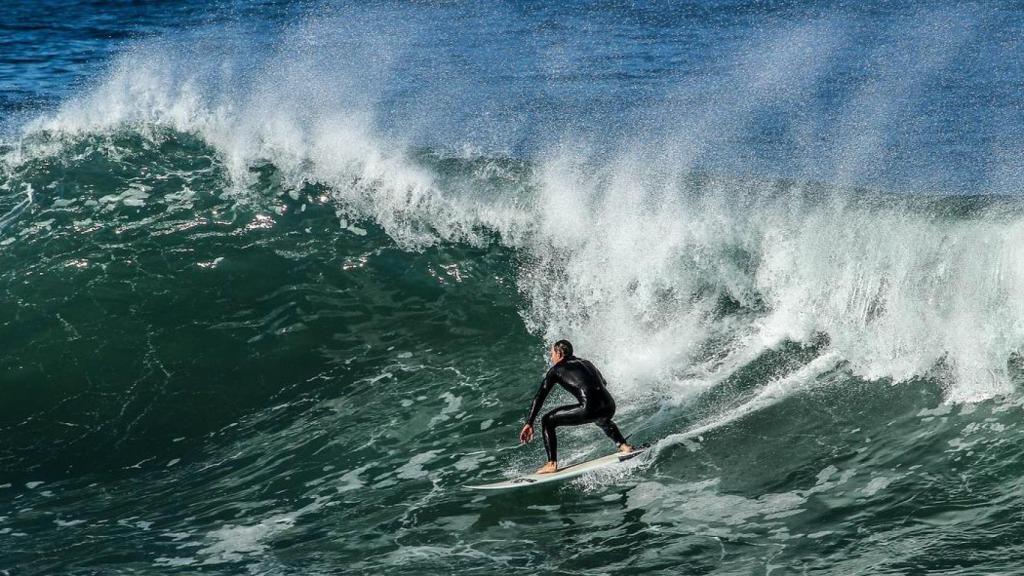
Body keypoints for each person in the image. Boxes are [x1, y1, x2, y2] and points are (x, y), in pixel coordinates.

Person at [519, 340, 632, 474]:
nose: (551, 357)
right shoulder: (587, 363)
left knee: (547, 420)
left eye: (552, 354)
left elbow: (540, 396)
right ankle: (624, 446)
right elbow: (603, 383)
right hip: (609, 405)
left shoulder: (556, 370)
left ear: (559, 353)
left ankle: (551, 464)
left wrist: (529, 422)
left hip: (590, 408)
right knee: (601, 418)